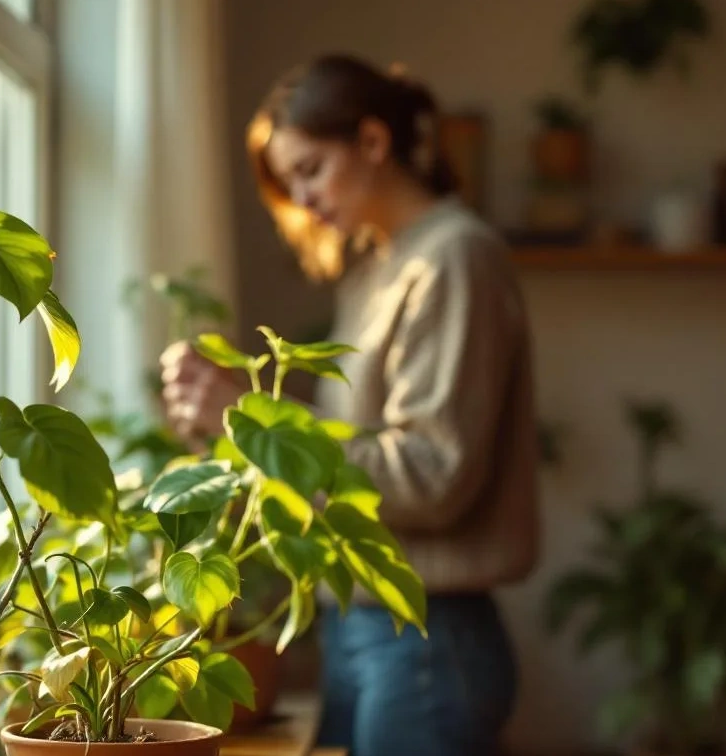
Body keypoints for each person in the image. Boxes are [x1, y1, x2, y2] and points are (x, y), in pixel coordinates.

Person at [159, 54, 540, 756]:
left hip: (424, 638)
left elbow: (431, 479)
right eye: (289, 181)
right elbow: (355, 451)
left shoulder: (452, 258)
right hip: (366, 625)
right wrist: (225, 426)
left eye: (309, 169)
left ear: (371, 142)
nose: (301, 200)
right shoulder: (378, 268)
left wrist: (251, 420)